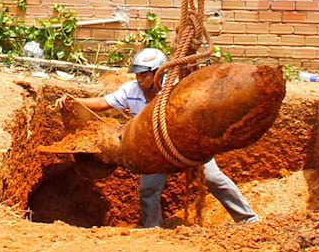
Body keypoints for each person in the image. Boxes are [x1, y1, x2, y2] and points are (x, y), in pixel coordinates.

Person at [60, 48, 260, 228]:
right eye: (138, 75)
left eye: (144, 75)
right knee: (148, 191)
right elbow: (104, 102)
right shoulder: (131, 90)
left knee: (214, 179)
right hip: (153, 151)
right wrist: (74, 101)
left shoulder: (174, 89)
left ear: (158, 73)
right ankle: (152, 231)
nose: (139, 79)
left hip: (186, 145)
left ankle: (247, 218)